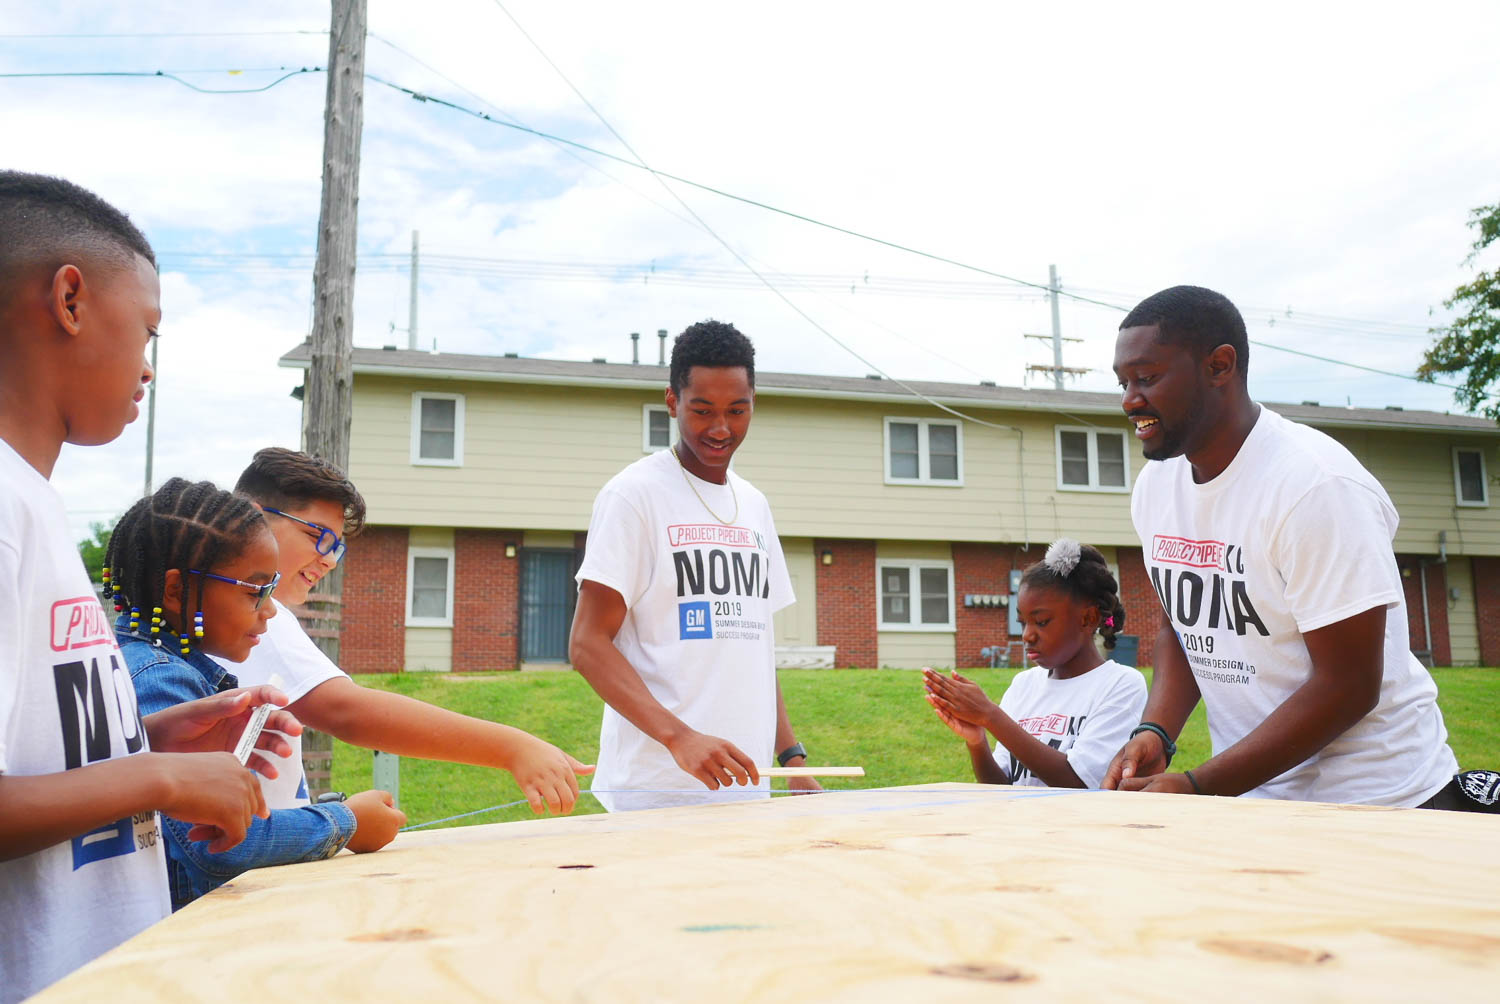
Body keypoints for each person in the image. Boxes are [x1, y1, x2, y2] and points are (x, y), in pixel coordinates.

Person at [0, 171, 298, 1002]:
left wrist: (153, 739)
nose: (148, 369)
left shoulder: (32, 501)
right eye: (148, 332)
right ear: (70, 299)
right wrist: (158, 781)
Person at [1103, 284, 1490, 811]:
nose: (1130, 400)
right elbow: (1187, 623)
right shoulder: (1156, 489)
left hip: (1380, 804)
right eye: (1123, 382)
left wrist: (1197, 786)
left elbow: (1349, 685)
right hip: (1259, 801)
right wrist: (1157, 730)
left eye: (1147, 378)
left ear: (1220, 366)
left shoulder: (1314, 485)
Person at [227, 447, 594, 817]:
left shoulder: (255, 610)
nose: (328, 559)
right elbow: (346, 711)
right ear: (254, 519)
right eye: (317, 536)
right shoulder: (253, 618)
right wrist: (513, 748)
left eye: (337, 547)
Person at [112, 479, 407, 909]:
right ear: (176, 591)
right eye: (255, 592)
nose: (269, 610)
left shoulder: (151, 665)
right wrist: (346, 822)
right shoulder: (161, 681)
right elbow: (221, 844)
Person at [569, 320, 819, 811]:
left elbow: (754, 644)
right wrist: (679, 737)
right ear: (672, 402)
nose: (721, 429)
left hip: (746, 788)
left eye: (737, 411)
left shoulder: (754, 505)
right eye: (702, 410)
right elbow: (587, 644)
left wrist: (791, 756)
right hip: (654, 793)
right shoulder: (634, 496)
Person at [925, 540, 1147, 788]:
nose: (1027, 635)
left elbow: (1079, 783)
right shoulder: (1023, 685)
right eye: (1022, 622)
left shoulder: (1121, 685)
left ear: (1088, 618)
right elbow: (999, 788)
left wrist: (991, 716)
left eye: (1041, 622)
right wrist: (977, 741)